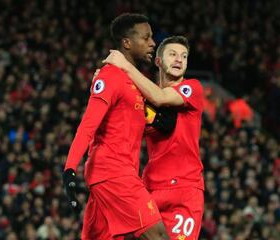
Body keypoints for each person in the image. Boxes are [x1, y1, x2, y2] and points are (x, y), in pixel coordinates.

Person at [62, 13, 170, 240]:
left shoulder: (135, 80)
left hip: (112, 174)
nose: (153, 43)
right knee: (158, 235)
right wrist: (70, 168)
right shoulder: (110, 76)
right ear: (127, 43)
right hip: (114, 173)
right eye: (146, 38)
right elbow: (87, 125)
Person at [104, 36, 205, 239]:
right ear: (158, 61)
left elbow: (160, 97)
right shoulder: (142, 99)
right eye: (173, 54)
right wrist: (108, 79)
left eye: (184, 56)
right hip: (149, 189)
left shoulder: (192, 88)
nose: (179, 60)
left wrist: (124, 66)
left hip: (184, 190)